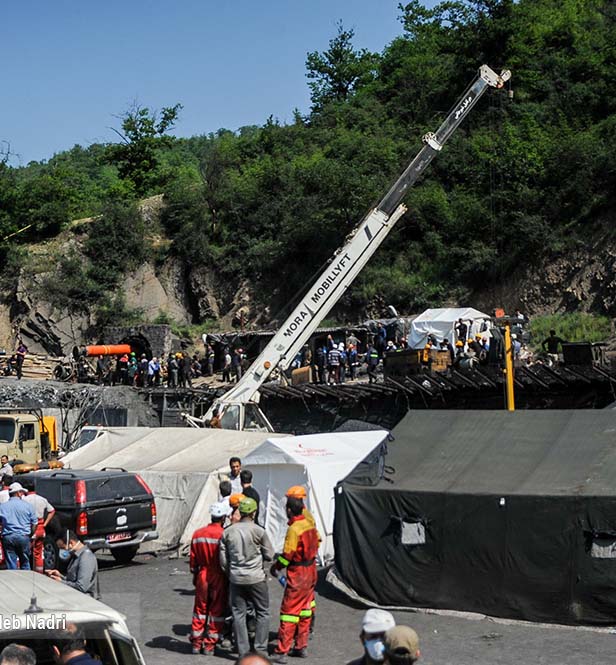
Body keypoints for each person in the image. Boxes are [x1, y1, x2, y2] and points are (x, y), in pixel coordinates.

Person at [219, 497, 273, 658]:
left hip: (236, 578)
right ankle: (261, 650)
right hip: (256, 578)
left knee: (238, 614)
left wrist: (231, 573)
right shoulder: (259, 531)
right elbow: (270, 554)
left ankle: (243, 652)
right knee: (262, 612)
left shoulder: (228, 532)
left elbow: (223, 561)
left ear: (240, 512)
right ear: (254, 512)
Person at [270, 496, 320, 663]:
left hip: (299, 572)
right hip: (311, 569)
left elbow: (287, 555)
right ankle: (301, 646)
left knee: (289, 613)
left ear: (289, 510)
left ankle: (281, 651)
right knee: (306, 610)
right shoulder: (309, 523)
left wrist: (276, 567)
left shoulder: (294, 529)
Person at [189, 502, 228, 655]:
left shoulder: (197, 534)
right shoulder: (224, 534)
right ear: (223, 517)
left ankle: (196, 644)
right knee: (216, 611)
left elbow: (193, 561)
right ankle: (210, 645)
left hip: (202, 575)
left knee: (200, 610)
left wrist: (195, 575)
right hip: (218, 575)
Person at [284, 486, 318, 635]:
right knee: (307, 601)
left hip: (299, 569)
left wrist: (277, 566)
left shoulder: (300, 522)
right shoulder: (307, 517)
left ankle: (288, 640)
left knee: (291, 608)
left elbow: (288, 553)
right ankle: (304, 632)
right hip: (310, 566)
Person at [46, 530, 99, 597]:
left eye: (62, 547)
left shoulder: (86, 557)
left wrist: (61, 582)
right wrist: (60, 576)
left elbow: (81, 587)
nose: (62, 551)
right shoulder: (76, 556)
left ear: (71, 543)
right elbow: (73, 580)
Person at [0, 482, 37, 569]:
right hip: (23, 537)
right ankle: (25, 579)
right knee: (25, 561)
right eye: (21, 492)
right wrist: (30, 535)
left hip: (8, 537)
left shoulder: (2, 506)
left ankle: (13, 580)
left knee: (11, 562)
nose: (22, 494)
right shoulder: (28, 506)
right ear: (18, 493)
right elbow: (34, 523)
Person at [22, 484, 55, 573]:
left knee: (25, 553)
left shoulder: (24, 500)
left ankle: (25, 572)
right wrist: (45, 523)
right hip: (41, 529)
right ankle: (39, 573)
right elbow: (52, 511)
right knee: (38, 554)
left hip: (30, 529)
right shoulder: (42, 499)